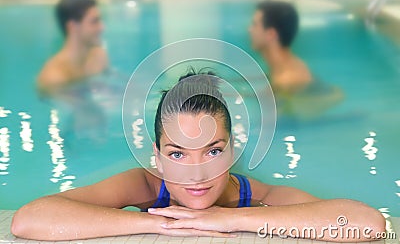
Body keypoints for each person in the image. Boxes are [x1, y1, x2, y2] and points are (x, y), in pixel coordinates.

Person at [11, 70, 385, 241]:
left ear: (232, 152)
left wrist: (227, 220)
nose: (196, 173)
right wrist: (161, 224)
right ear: (156, 157)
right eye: (177, 154)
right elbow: (29, 220)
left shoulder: (255, 195)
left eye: (213, 150)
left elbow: (368, 224)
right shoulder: (143, 185)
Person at [249, 0, 343, 119]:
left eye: (254, 25)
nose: (250, 30)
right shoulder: (287, 65)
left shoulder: (286, 80)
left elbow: (270, 122)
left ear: (271, 34)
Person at [37, 0, 108, 93]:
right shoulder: (54, 76)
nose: (102, 27)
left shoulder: (99, 57)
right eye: (94, 22)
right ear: (73, 27)